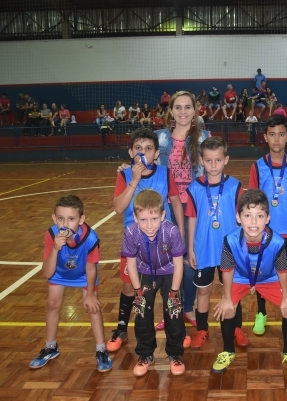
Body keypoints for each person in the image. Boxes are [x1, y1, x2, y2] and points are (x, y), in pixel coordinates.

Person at [107, 128, 186, 353]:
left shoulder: (165, 173)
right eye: (138, 148)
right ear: (131, 152)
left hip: (164, 243)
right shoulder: (124, 176)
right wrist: (134, 179)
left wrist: (180, 233)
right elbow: (118, 208)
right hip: (135, 243)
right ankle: (122, 327)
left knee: (171, 288)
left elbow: (176, 203)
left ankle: (178, 330)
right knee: (130, 286)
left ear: (156, 153)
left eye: (149, 148)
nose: (143, 152)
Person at [212, 189, 287, 373]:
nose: (253, 222)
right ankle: (228, 351)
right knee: (227, 308)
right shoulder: (230, 240)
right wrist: (226, 297)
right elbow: (227, 270)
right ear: (238, 218)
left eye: (259, 216)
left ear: (267, 218)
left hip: (269, 278)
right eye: (248, 215)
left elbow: (282, 271)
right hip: (241, 277)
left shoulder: (277, 242)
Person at [29, 195, 113, 372]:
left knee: (93, 307)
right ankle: (51, 347)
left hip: (84, 274)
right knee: (52, 304)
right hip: (58, 272)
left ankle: (101, 349)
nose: (65, 224)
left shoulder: (90, 238)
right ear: (54, 218)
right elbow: (47, 273)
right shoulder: (51, 234)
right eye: (61, 218)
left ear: (81, 219)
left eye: (71, 219)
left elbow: (91, 269)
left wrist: (89, 295)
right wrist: (55, 248)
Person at [155, 91, 212, 332]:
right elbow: (147, 164)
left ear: (195, 110)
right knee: (166, 261)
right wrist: (129, 166)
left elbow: (212, 169)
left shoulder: (205, 137)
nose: (182, 112)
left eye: (188, 107)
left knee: (189, 260)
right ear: (171, 111)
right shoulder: (159, 138)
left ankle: (187, 307)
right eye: (177, 107)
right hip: (165, 206)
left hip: (194, 206)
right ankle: (170, 309)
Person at [185, 136, 245, 349]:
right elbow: (192, 219)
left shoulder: (235, 186)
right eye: (208, 160)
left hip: (229, 249)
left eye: (218, 160)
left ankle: (236, 328)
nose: (213, 165)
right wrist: (190, 248)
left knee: (232, 291)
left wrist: (242, 248)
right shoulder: (194, 188)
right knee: (203, 291)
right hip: (203, 249)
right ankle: (202, 329)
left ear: (226, 160)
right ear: (201, 160)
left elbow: (242, 219)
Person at [248, 115, 287, 336]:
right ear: (265, 137)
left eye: (281, 134)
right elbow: (253, 200)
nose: (277, 139)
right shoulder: (258, 166)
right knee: (263, 270)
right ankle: (261, 312)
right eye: (272, 135)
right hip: (265, 231)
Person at [122, 189, 187, 376]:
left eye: (154, 219)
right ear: (135, 218)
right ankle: (145, 354)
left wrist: (173, 293)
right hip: (144, 270)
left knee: (173, 311)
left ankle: (175, 353)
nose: (149, 225)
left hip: (170, 271)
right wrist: (138, 292)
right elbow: (131, 265)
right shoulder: (130, 232)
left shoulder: (172, 231)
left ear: (163, 215)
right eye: (143, 219)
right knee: (142, 311)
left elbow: (179, 265)